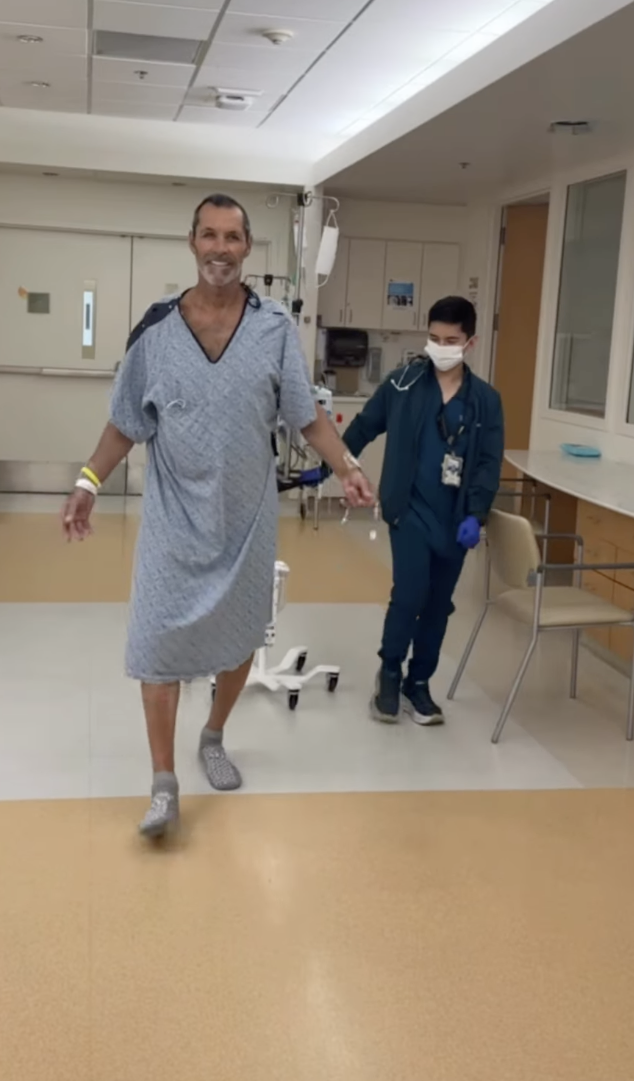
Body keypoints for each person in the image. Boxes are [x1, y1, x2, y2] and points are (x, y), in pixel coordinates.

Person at [61, 193, 375, 837]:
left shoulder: (271, 331)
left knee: (240, 636)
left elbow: (305, 416)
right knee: (155, 645)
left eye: (233, 238)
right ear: (192, 243)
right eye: (210, 235)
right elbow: (124, 425)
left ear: (247, 247)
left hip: (247, 520)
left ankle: (212, 735)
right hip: (174, 520)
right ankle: (163, 785)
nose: (220, 249)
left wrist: (346, 467)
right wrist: (87, 481)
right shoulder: (155, 334)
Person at [342, 295, 503, 725]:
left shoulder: (486, 401)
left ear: (471, 343)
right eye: (433, 338)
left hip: (455, 520)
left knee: (437, 605)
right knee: (409, 595)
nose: (440, 347)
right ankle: (390, 673)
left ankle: (420, 682)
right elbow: (363, 427)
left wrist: (477, 513)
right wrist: (339, 467)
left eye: (451, 339)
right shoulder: (403, 384)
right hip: (409, 509)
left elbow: (488, 463)